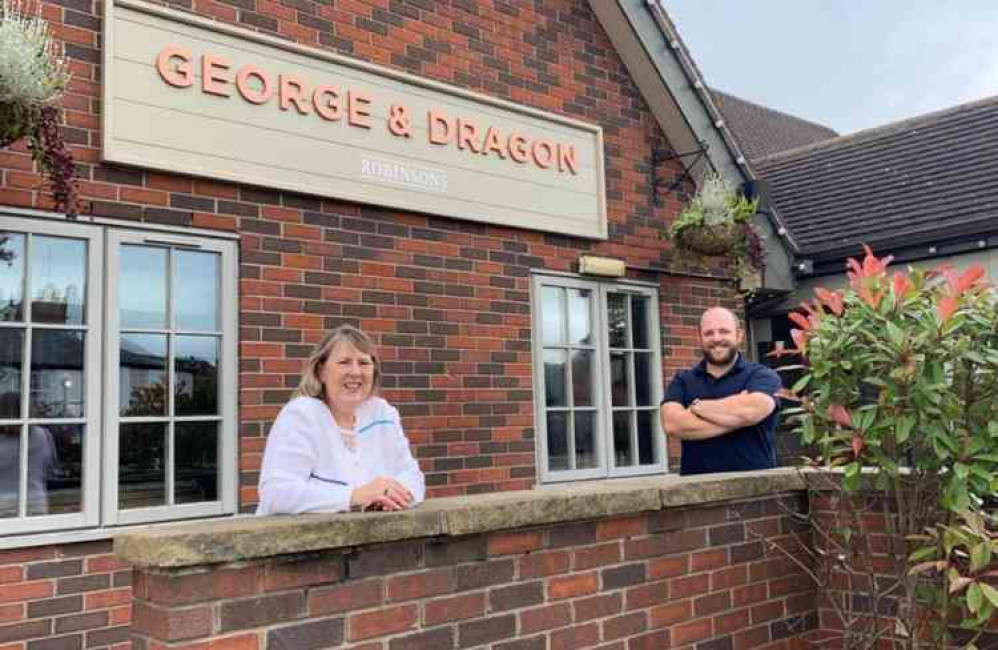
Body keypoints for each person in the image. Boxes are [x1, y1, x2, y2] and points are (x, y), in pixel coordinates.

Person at [257, 325, 425, 514]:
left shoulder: (383, 413)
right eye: (344, 362)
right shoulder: (301, 414)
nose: (355, 372)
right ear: (322, 372)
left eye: (363, 363)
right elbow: (276, 494)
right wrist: (353, 497)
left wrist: (391, 496)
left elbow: (413, 477)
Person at [660, 306, 781, 475]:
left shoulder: (762, 376)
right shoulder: (683, 380)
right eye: (709, 333)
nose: (716, 338)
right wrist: (738, 419)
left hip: (755, 488)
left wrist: (697, 407)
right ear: (699, 338)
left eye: (724, 331)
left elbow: (751, 411)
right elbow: (672, 424)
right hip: (696, 490)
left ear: (739, 336)